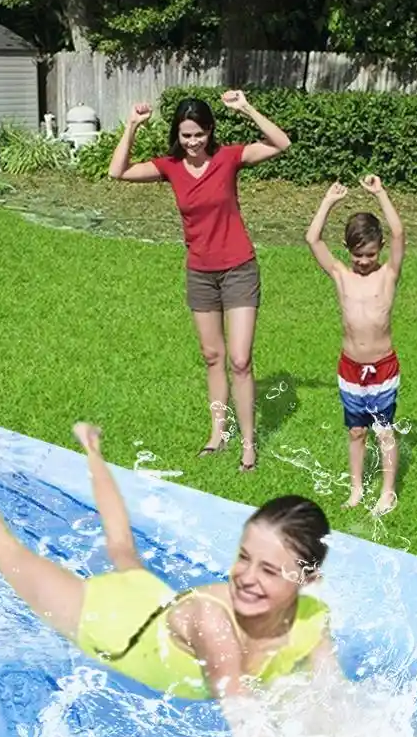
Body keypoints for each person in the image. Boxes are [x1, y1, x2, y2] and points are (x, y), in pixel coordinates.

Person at [0, 424, 346, 737]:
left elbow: (337, 698)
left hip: (153, 599)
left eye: (269, 570)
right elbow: (246, 726)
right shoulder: (214, 621)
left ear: (308, 580)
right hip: (110, 624)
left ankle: (91, 449)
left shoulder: (313, 620)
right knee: (7, 551)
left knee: (123, 549)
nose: (246, 577)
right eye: (244, 557)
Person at [108, 91, 292, 473]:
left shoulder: (229, 158)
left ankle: (248, 445)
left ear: (210, 131)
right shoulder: (170, 166)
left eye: (199, 134)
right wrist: (132, 125)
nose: (193, 142)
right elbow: (118, 171)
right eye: (186, 135)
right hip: (200, 273)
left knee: (240, 360)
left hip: (239, 268)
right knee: (213, 357)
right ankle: (217, 434)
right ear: (177, 134)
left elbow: (281, 143)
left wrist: (246, 108)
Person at [305, 175, 407, 516]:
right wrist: (328, 201)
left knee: (383, 431)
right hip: (350, 368)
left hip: (382, 368)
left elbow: (399, 233)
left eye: (370, 254)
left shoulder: (388, 274)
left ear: (380, 248)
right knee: (356, 431)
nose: (364, 261)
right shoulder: (341, 275)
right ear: (347, 250)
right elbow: (312, 238)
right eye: (358, 255)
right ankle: (356, 488)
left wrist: (380, 193)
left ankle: (388, 492)